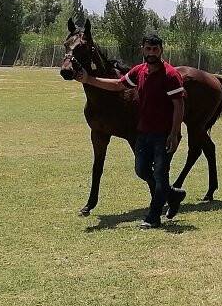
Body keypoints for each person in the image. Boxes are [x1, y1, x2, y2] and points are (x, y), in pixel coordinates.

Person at [77, 34, 186, 228]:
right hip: (143, 131)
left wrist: (175, 133)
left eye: (155, 49)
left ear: (161, 50)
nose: (151, 53)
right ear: (142, 49)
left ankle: (153, 217)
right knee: (141, 169)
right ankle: (173, 194)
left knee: (160, 174)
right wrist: (89, 79)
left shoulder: (170, 74)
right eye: (148, 49)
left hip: (163, 133)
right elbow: (119, 85)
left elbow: (179, 105)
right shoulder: (139, 71)